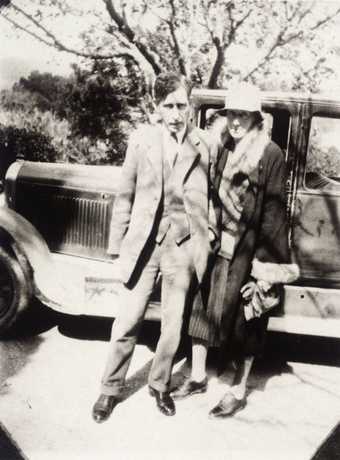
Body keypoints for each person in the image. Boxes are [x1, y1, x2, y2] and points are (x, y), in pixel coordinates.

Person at [92, 72, 217, 422]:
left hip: (182, 244)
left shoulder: (205, 144)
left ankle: (159, 385)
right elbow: (125, 194)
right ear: (157, 107)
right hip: (144, 243)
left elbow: (214, 199)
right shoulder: (141, 140)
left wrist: (206, 238)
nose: (176, 113)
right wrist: (117, 246)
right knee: (128, 319)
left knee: (173, 324)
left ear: (190, 105)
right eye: (168, 106)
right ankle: (109, 389)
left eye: (181, 105)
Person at [172, 82, 299, 418]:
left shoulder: (270, 155)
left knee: (248, 320)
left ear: (256, 118)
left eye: (243, 115)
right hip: (216, 246)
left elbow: (273, 216)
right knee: (201, 313)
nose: (236, 122)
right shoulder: (220, 147)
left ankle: (238, 390)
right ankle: (198, 376)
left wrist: (264, 275)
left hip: (248, 253)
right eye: (231, 114)